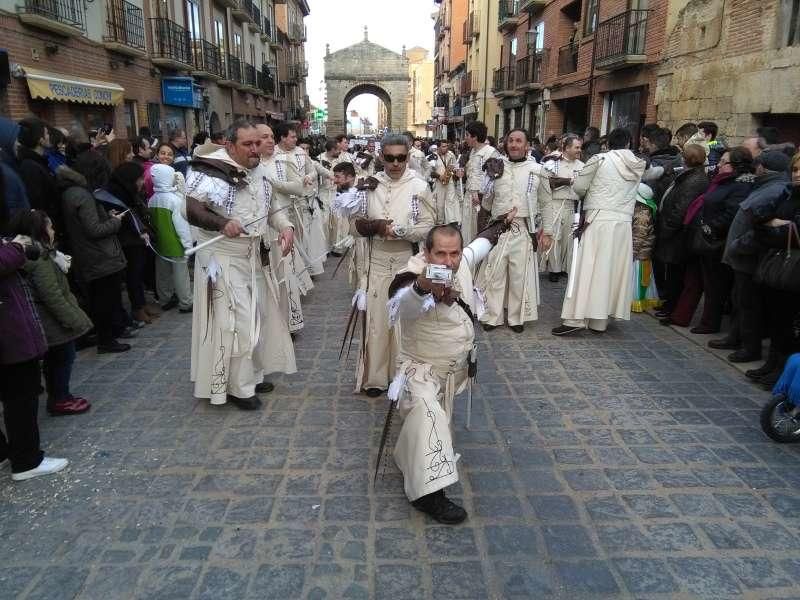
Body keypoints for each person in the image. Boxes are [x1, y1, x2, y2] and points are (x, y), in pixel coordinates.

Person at [386, 217, 515, 523]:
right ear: (426, 252)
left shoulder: (463, 262)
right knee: (429, 419)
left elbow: (481, 245)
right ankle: (430, 496)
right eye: (440, 254)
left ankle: (409, 458)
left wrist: (500, 225)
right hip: (421, 373)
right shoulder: (413, 274)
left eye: (453, 253)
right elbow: (402, 302)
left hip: (453, 371)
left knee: (434, 422)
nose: (448, 260)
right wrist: (421, 288)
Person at [186, 119, 296, 409]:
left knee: (259, 316)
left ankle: (253, 375)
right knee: (236, 323)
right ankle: (238, 388)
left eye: (257, 143)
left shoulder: (260, 171)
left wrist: (286, 227)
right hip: (222, 258)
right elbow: (192, 209)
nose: (255, 149)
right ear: (229, 145)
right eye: (247, 144)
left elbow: (272, 210)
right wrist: (222, 223)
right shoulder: (210, 169)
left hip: (254, 257)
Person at [349, 133, 435, 397]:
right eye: (389, 158)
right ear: (381, 157)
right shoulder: (368, 184)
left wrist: (399, 231)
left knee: (404, 322)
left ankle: (403, 377)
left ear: (408, 157)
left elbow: (428, 227)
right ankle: (375, 378)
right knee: (376, 322)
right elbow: (353, 225)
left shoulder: (419, 186)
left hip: (406, 262)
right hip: (375, 261)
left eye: (400, 157)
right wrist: (373, 226)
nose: (395, 163)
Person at [552, 128, 646, 336]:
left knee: (588, 268)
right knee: (609, 270)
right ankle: (599, 320)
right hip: (622, 222)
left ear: (607, 143)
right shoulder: (638, 164)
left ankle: (576, 317)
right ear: (629, 144)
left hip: (599, 218)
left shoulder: (600, 159)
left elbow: (580, 187)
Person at [0, 232, 69, 481]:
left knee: (15, 389)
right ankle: (26, 460)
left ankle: (5, 453)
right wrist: (16, 247)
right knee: (21, 392)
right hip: (7, 325)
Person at [12, 210, 92, 415]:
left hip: (50, 320)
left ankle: (60, 395)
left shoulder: (42, 254)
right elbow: (52, 296)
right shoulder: (40, 260)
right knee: (62, 359)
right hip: (51, 322)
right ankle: (60, 398)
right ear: (40, 231)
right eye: (50, 227)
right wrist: (74, 320)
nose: (53, 230)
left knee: (57, 360)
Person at [670, 147, 755, 332]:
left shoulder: (741, 185)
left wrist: (710, 228)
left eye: (724, 162)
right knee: (693, 279)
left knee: (713, 284)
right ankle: (681, 316)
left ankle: (709, 323)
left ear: (736, 165)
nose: (719, 165)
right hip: (700, 237)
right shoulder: (720, 181)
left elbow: (732, 213)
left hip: (715, 241)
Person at [721, 150, 791, 363]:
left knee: (749, 304)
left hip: (750, 256)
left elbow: (760, 226)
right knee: (740, 300)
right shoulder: (762, 186)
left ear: (764, 167)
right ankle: (735, 337)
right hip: (742, 256)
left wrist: (739, 245)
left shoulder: (774, 190)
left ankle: (749, 348)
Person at [60, 150, 130, 353]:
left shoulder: (73, 192)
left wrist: (105, 216)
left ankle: (106, 336)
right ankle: (106, 340)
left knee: (102, 299)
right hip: (98, 257)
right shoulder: (81, 195)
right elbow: (94, 230)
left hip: (91, 255)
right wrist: (114, 222)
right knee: (104, 300)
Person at [476, 128, 539, 332]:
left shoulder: (537, 170)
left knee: (519, 275)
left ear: (527, 145)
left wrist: (545, 231)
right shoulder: (496, 166)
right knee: (494, 273)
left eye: (519, 141)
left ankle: (515, 318)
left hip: (522, 228)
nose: (514, 145)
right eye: (511, 140)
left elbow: (545, 201)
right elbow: (486, 200)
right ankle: (493, 316)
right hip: (498, 227)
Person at [745, 152, 799, 385]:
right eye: (795, 169)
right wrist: (776, 225)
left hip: (795, 270)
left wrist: (779, 228)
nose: (797, 174)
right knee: (776, 319)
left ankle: (783, 371)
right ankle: (772, 363)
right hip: (776, 263)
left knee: (790, 324)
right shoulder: (788, 193)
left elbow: (794, 235)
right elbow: (758, 217)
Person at [653, 144, 709, 324]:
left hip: (677, 234)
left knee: (676, 275)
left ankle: (671, 307)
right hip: (671, 231)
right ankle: (668, 304)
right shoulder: (688, 175)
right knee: (671, 273)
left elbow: (681, 209)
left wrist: (667, 229)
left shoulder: (695, 180)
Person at [100, 161, 156, 323]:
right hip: (128, 240)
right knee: (133, 274)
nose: (141, 182)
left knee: (138, 273)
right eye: (139, 179)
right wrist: (139, 232)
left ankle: (142, 304)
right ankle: (137, 307)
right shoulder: (115, 195)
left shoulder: (129, 191)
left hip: (136, 238)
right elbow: (125, 218)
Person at [148, 163, 193, 313]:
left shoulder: (152, 199)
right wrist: (188, 245)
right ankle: (185, 302)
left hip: (159, 245)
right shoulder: (175, 200)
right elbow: (182, 227)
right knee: (181, 276)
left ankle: (165, 299)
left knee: (162, 275)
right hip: (176, 245)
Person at [539, 133, 584, 281]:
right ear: (567, 148)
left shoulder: (582, 166)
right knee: (555, 237)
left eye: (580, 147)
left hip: (572, 204)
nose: (579, 150)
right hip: (555, 204)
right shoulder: (553, 163)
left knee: (568, 239)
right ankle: (554, 269)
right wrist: (567, 181)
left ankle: (565, 267)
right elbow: (547, 183)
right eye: (576, 147)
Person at [16, 118, 62, 233]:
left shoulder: (38, 162)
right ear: (40, 140)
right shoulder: (30, 167)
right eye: (46, 133)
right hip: (48, 230)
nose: (49, 136)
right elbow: (38, 205)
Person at [464, 121, 502, 243]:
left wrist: (480, 193)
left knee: (480, 231)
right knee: (468, 230)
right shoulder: (473, 152)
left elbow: (494, 178)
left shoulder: (491, 152)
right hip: (470, 197)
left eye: (467, 135)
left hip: (482, 200)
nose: (465, 138)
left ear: (474, 137)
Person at [630, 183, 659, 312]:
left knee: (638, 279)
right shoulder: (646, 210)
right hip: (643, 253)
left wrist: (632, 253)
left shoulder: (641, 213)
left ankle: (636, 302)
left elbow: (638, 237)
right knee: (642, 279)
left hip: (639, 254)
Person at [430, 140, 459, 226]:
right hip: (439, 183)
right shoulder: (432, 156)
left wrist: (454, 173)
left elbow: (455, 167)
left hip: (449, 182)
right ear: (438, 147)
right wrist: (439, 176)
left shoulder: (451, 155)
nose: (445, 148)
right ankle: (439, 223)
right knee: (440, 204)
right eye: (443, 146)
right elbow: (430, 172)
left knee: (451, 201)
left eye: (446, 146)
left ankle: (451, 222)